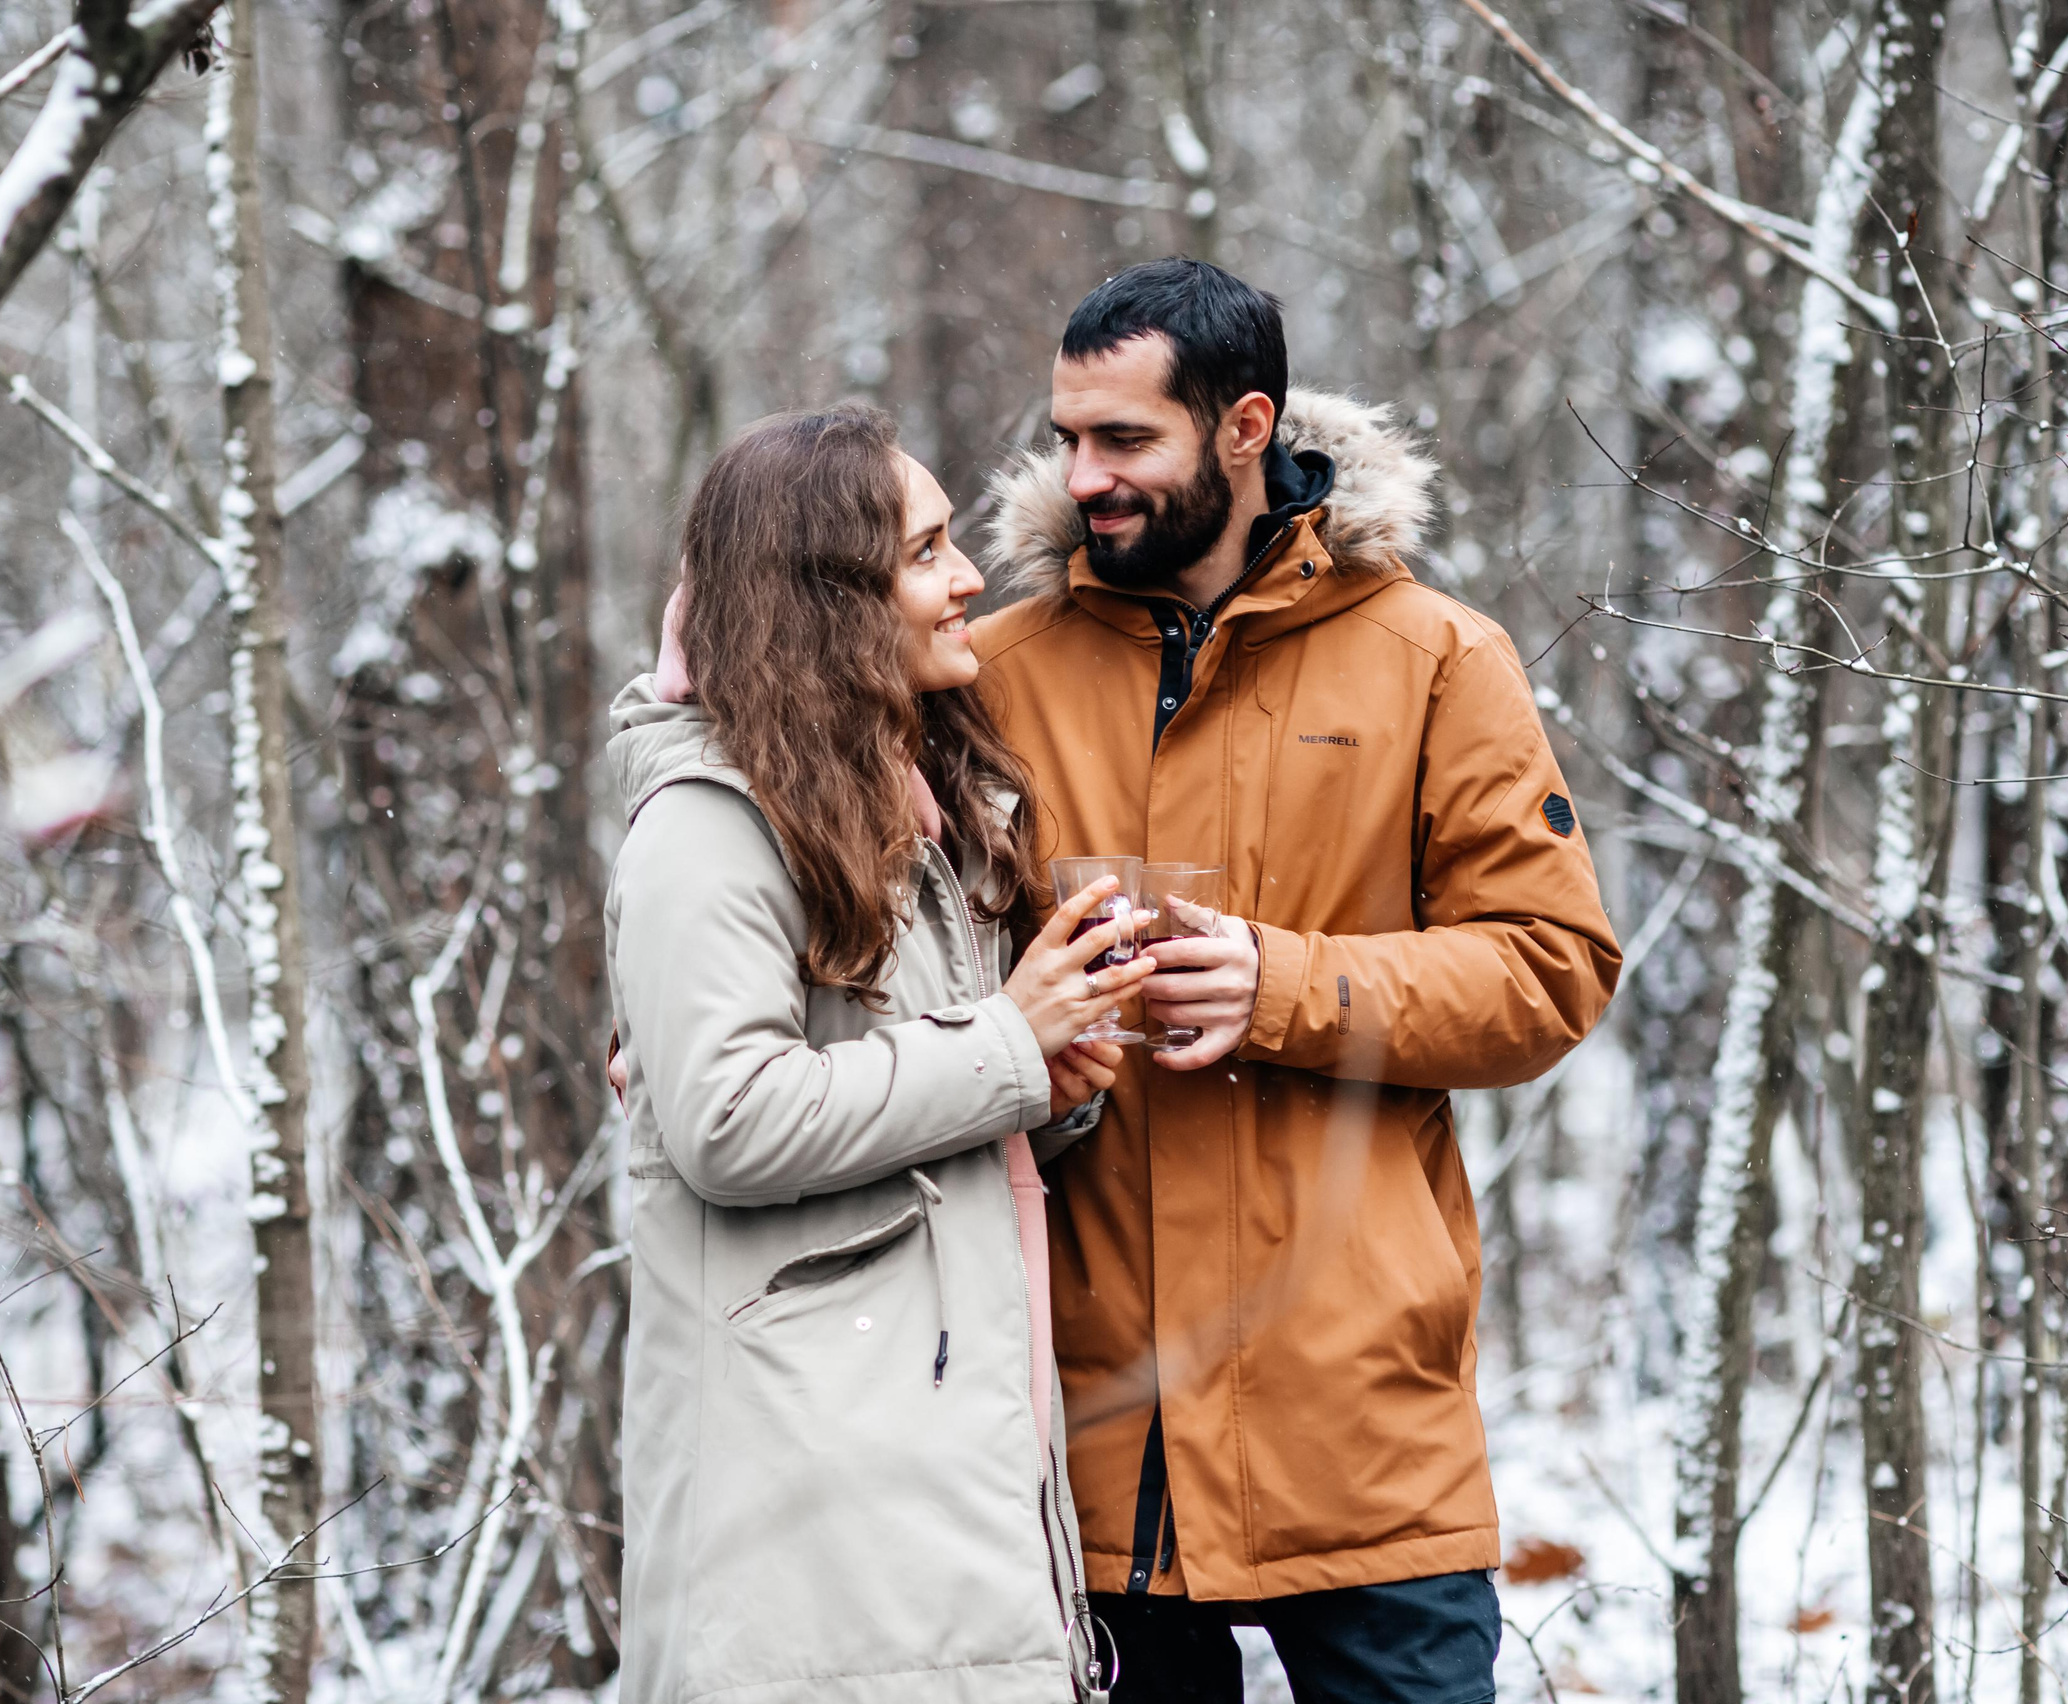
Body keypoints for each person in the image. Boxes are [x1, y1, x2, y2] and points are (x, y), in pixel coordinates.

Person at [970, 258, 1622, 1702]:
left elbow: (1551, 969)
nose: (1084, 477)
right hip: (1081, 1430)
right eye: (1069, 437)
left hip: (1358, 1422)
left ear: (1247, 426)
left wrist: (1280, 984)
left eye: (1125, 439)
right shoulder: (995, 675)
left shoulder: (1437, 659)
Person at [603, 403, 1151, 1703]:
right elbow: (729, 1122)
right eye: (927, 552)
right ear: (827, 602)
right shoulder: (707, 829)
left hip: (929, 1469)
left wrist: (1047, 1085)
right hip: (812, 1499)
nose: (969, 580)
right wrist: (1011, 1041)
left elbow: (923, 1090)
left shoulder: (920, 809)